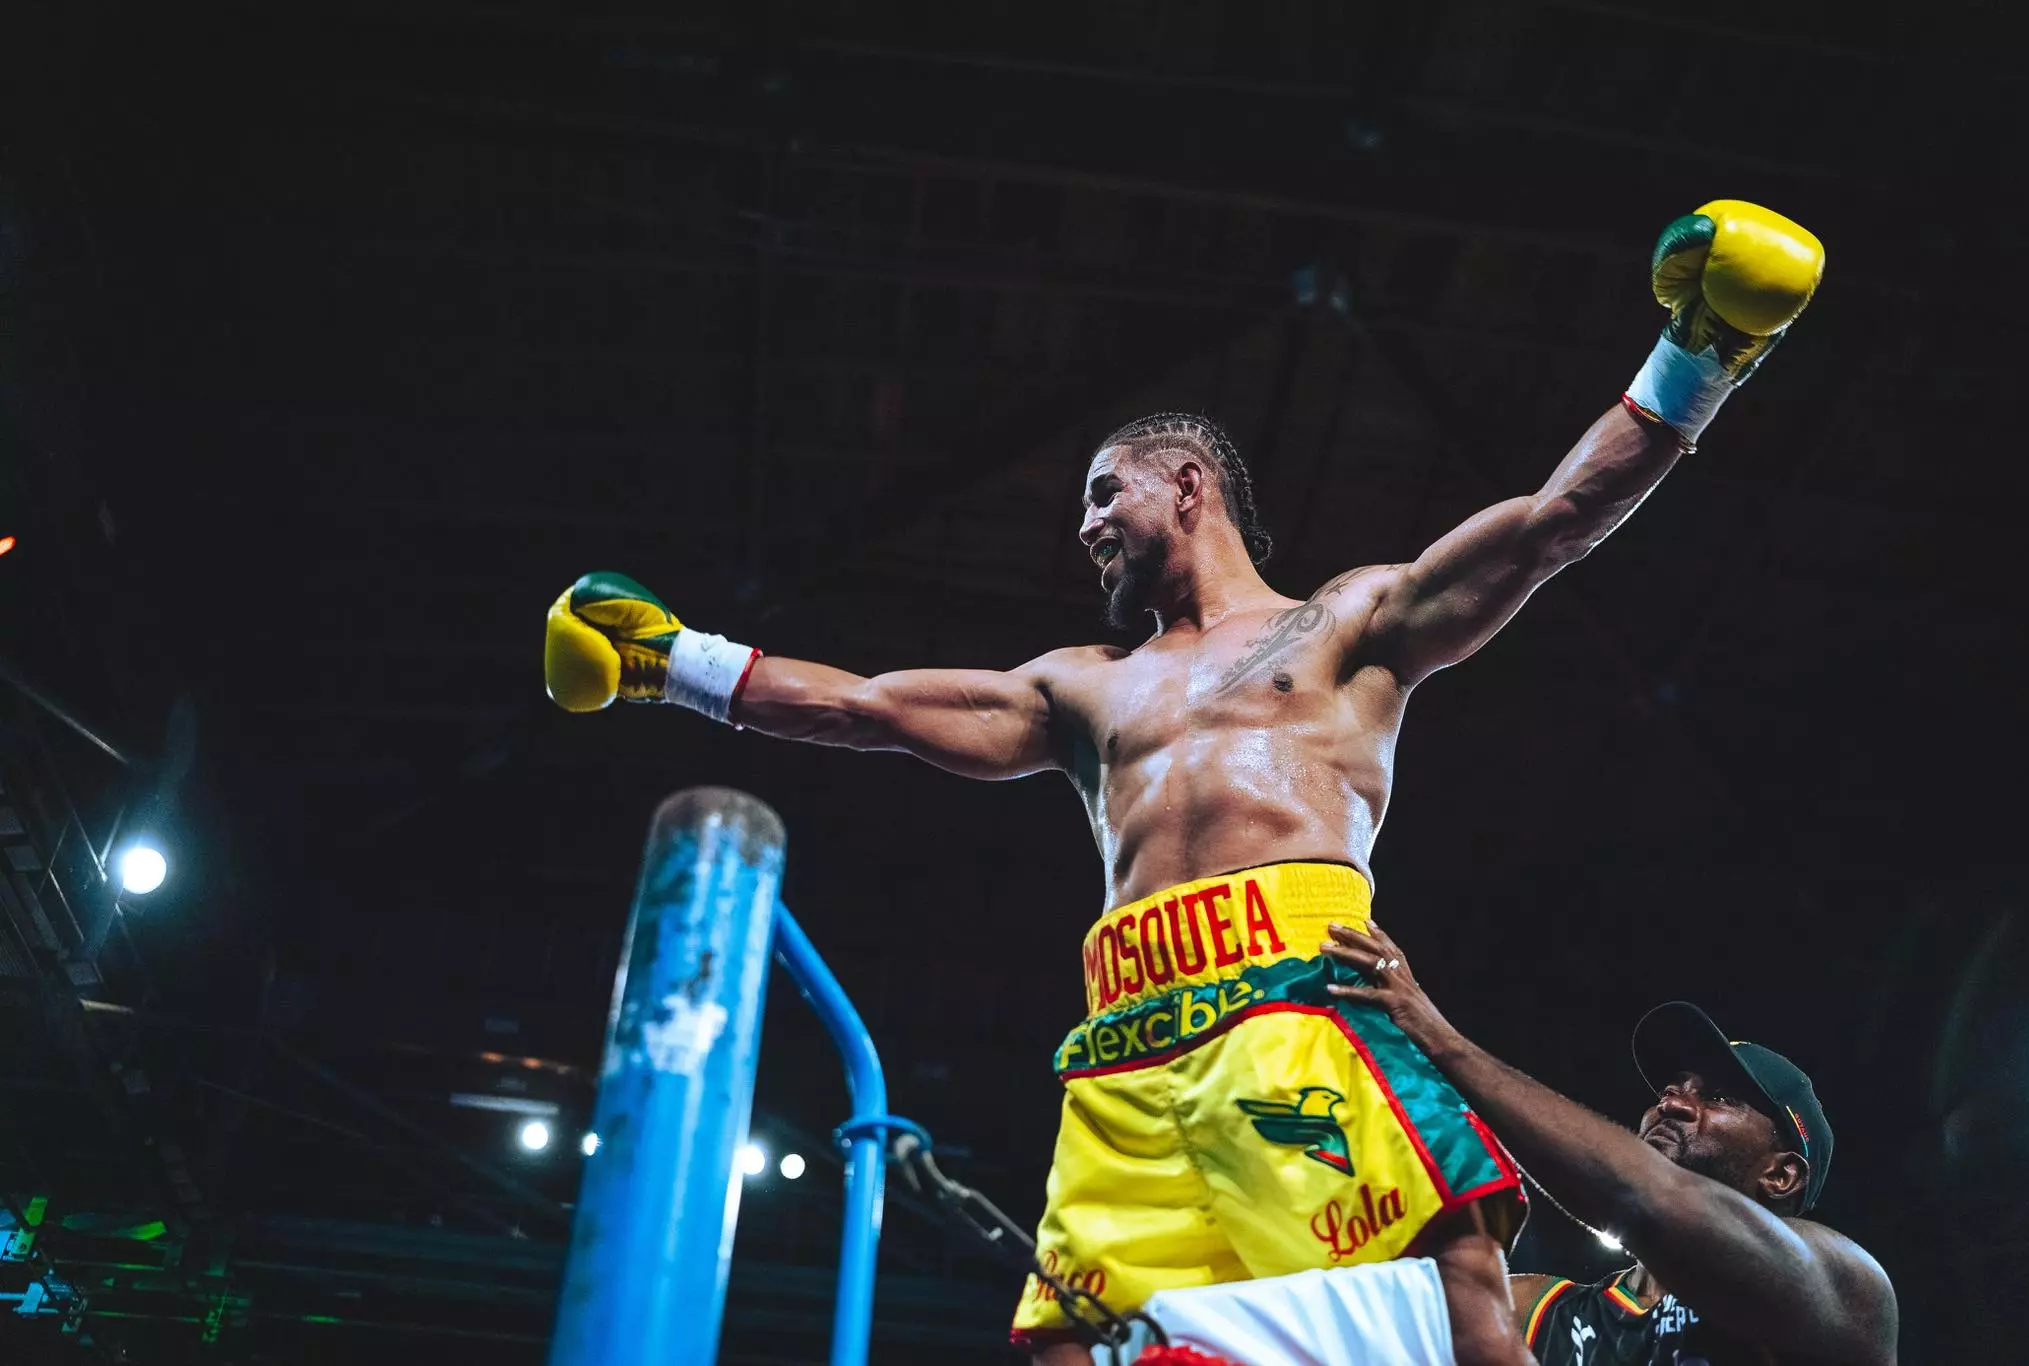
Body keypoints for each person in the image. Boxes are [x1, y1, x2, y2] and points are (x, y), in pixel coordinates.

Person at [543, 201, 1825, 1366]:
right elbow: (873, 708)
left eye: (1104, 493)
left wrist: (1700, 349)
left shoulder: (1343, 625)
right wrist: (679, 664)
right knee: (1071, 1344)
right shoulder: (1082, 688)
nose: (1087, 524)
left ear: (1187, 485)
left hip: (1295, 1001)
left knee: (1446, 1291)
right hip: (1123, 1049)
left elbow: (1550, 522)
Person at [1322, 922, 1898, 1365]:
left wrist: (1440, 1041)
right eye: (1673, 1088)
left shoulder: (1846, 1286)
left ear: (1780, 1176)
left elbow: (1651, 1199)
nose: (1672, 1103)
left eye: (1719, 1098)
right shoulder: (1536, 1310)